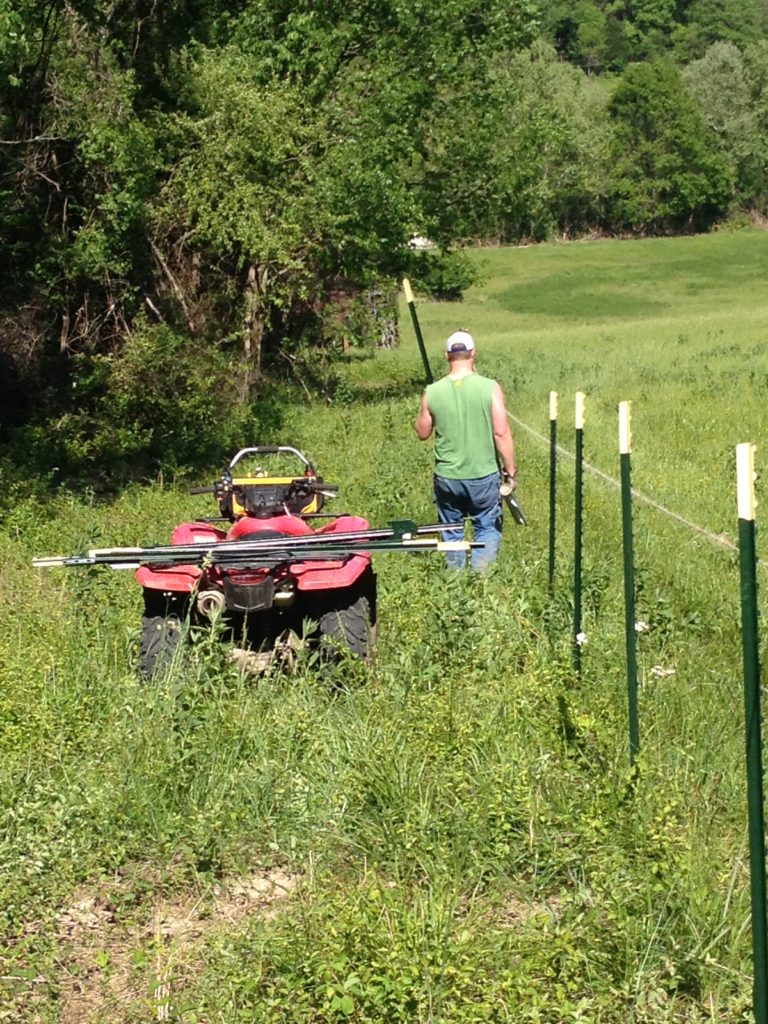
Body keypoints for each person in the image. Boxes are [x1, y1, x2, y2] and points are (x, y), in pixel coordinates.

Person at [414, 329, 517, 570]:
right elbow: (501, 432)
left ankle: (455, 583)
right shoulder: (490, 387)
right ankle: (480, 580)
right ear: (473, 354)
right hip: (483, 474)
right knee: (487, 527)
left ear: (446, 356)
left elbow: (422, 432)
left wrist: (427, 403)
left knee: (451, 531)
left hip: (447, 477)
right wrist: (510, 470)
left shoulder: (432, 391)